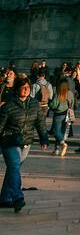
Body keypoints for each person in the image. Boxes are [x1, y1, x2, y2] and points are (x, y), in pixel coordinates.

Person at [0, 76, 42, 211]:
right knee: (13, 167)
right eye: (23, 87)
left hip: (26, 141)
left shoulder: (34, 104)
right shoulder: (8, 105)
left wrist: (44, 138)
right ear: (17, 88)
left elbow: (40, 122)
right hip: (10, 140)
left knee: (14, 169)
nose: (26, 90)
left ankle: (5, 198)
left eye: (28, 87)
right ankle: (17, 197)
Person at [48, 78, 75, 156]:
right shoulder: (70, 93)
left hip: (58, 115)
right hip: (67, 115)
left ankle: (63, 144)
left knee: (56, 132)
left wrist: (50, 102)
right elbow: (73, 104)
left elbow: (54, 105)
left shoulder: (58, 94)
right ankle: (56, 150)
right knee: (61, 132)